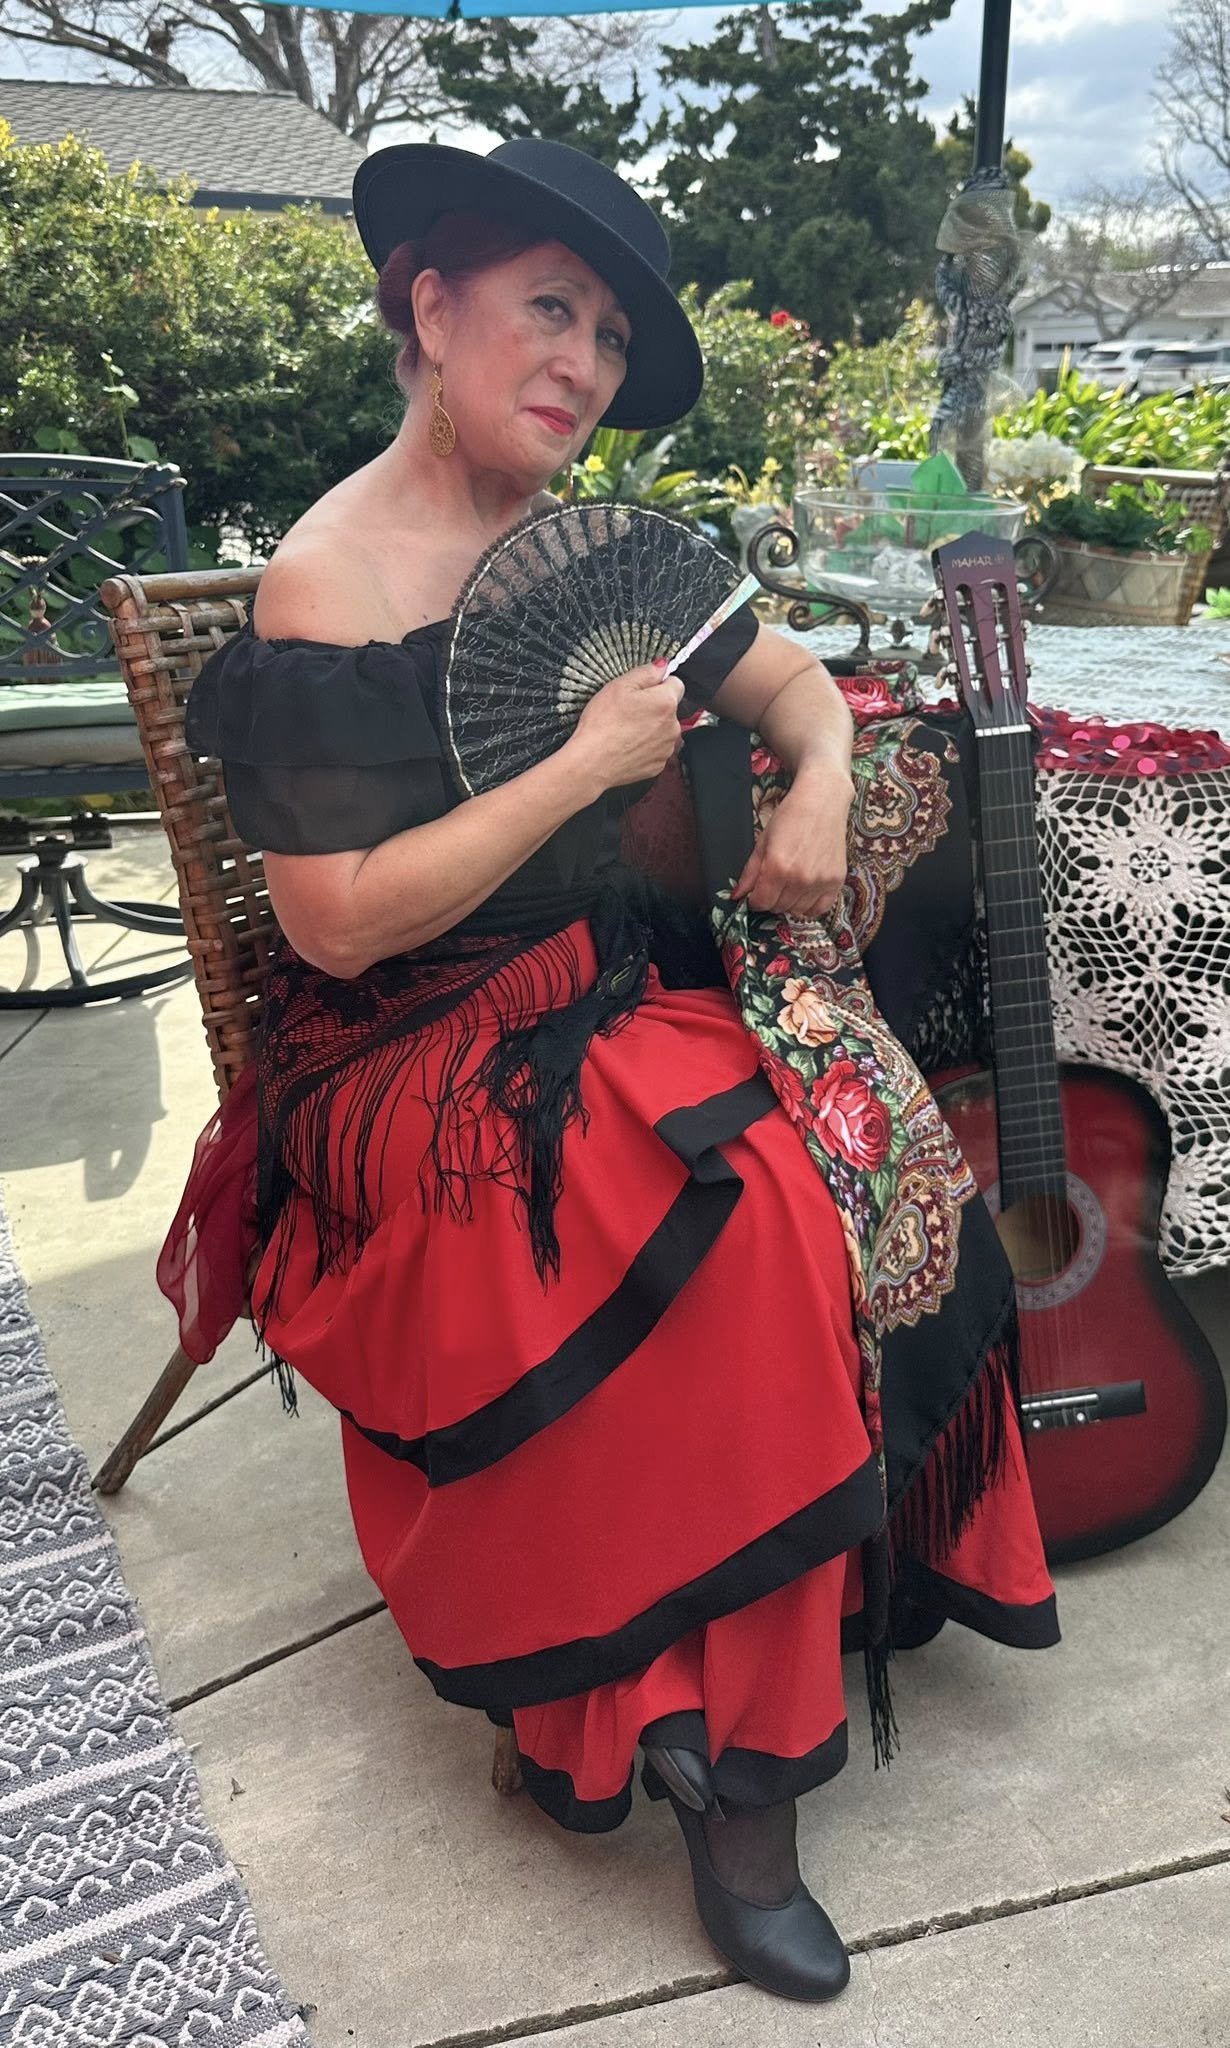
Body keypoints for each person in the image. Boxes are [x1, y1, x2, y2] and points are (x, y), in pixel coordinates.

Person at [178, 138, 1059, 2004]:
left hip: (604, 991)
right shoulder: (327, 583)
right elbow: (337, 928)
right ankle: (727, 1773)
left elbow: (790, 681)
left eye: (604, 335)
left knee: (845, 1152)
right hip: (408, 1048)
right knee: (730, 1221)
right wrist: (582, 770)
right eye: (548, 310)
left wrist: (818, 776)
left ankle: (734, 1673)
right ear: (432, 309)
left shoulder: (598, 551)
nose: (578, 364)